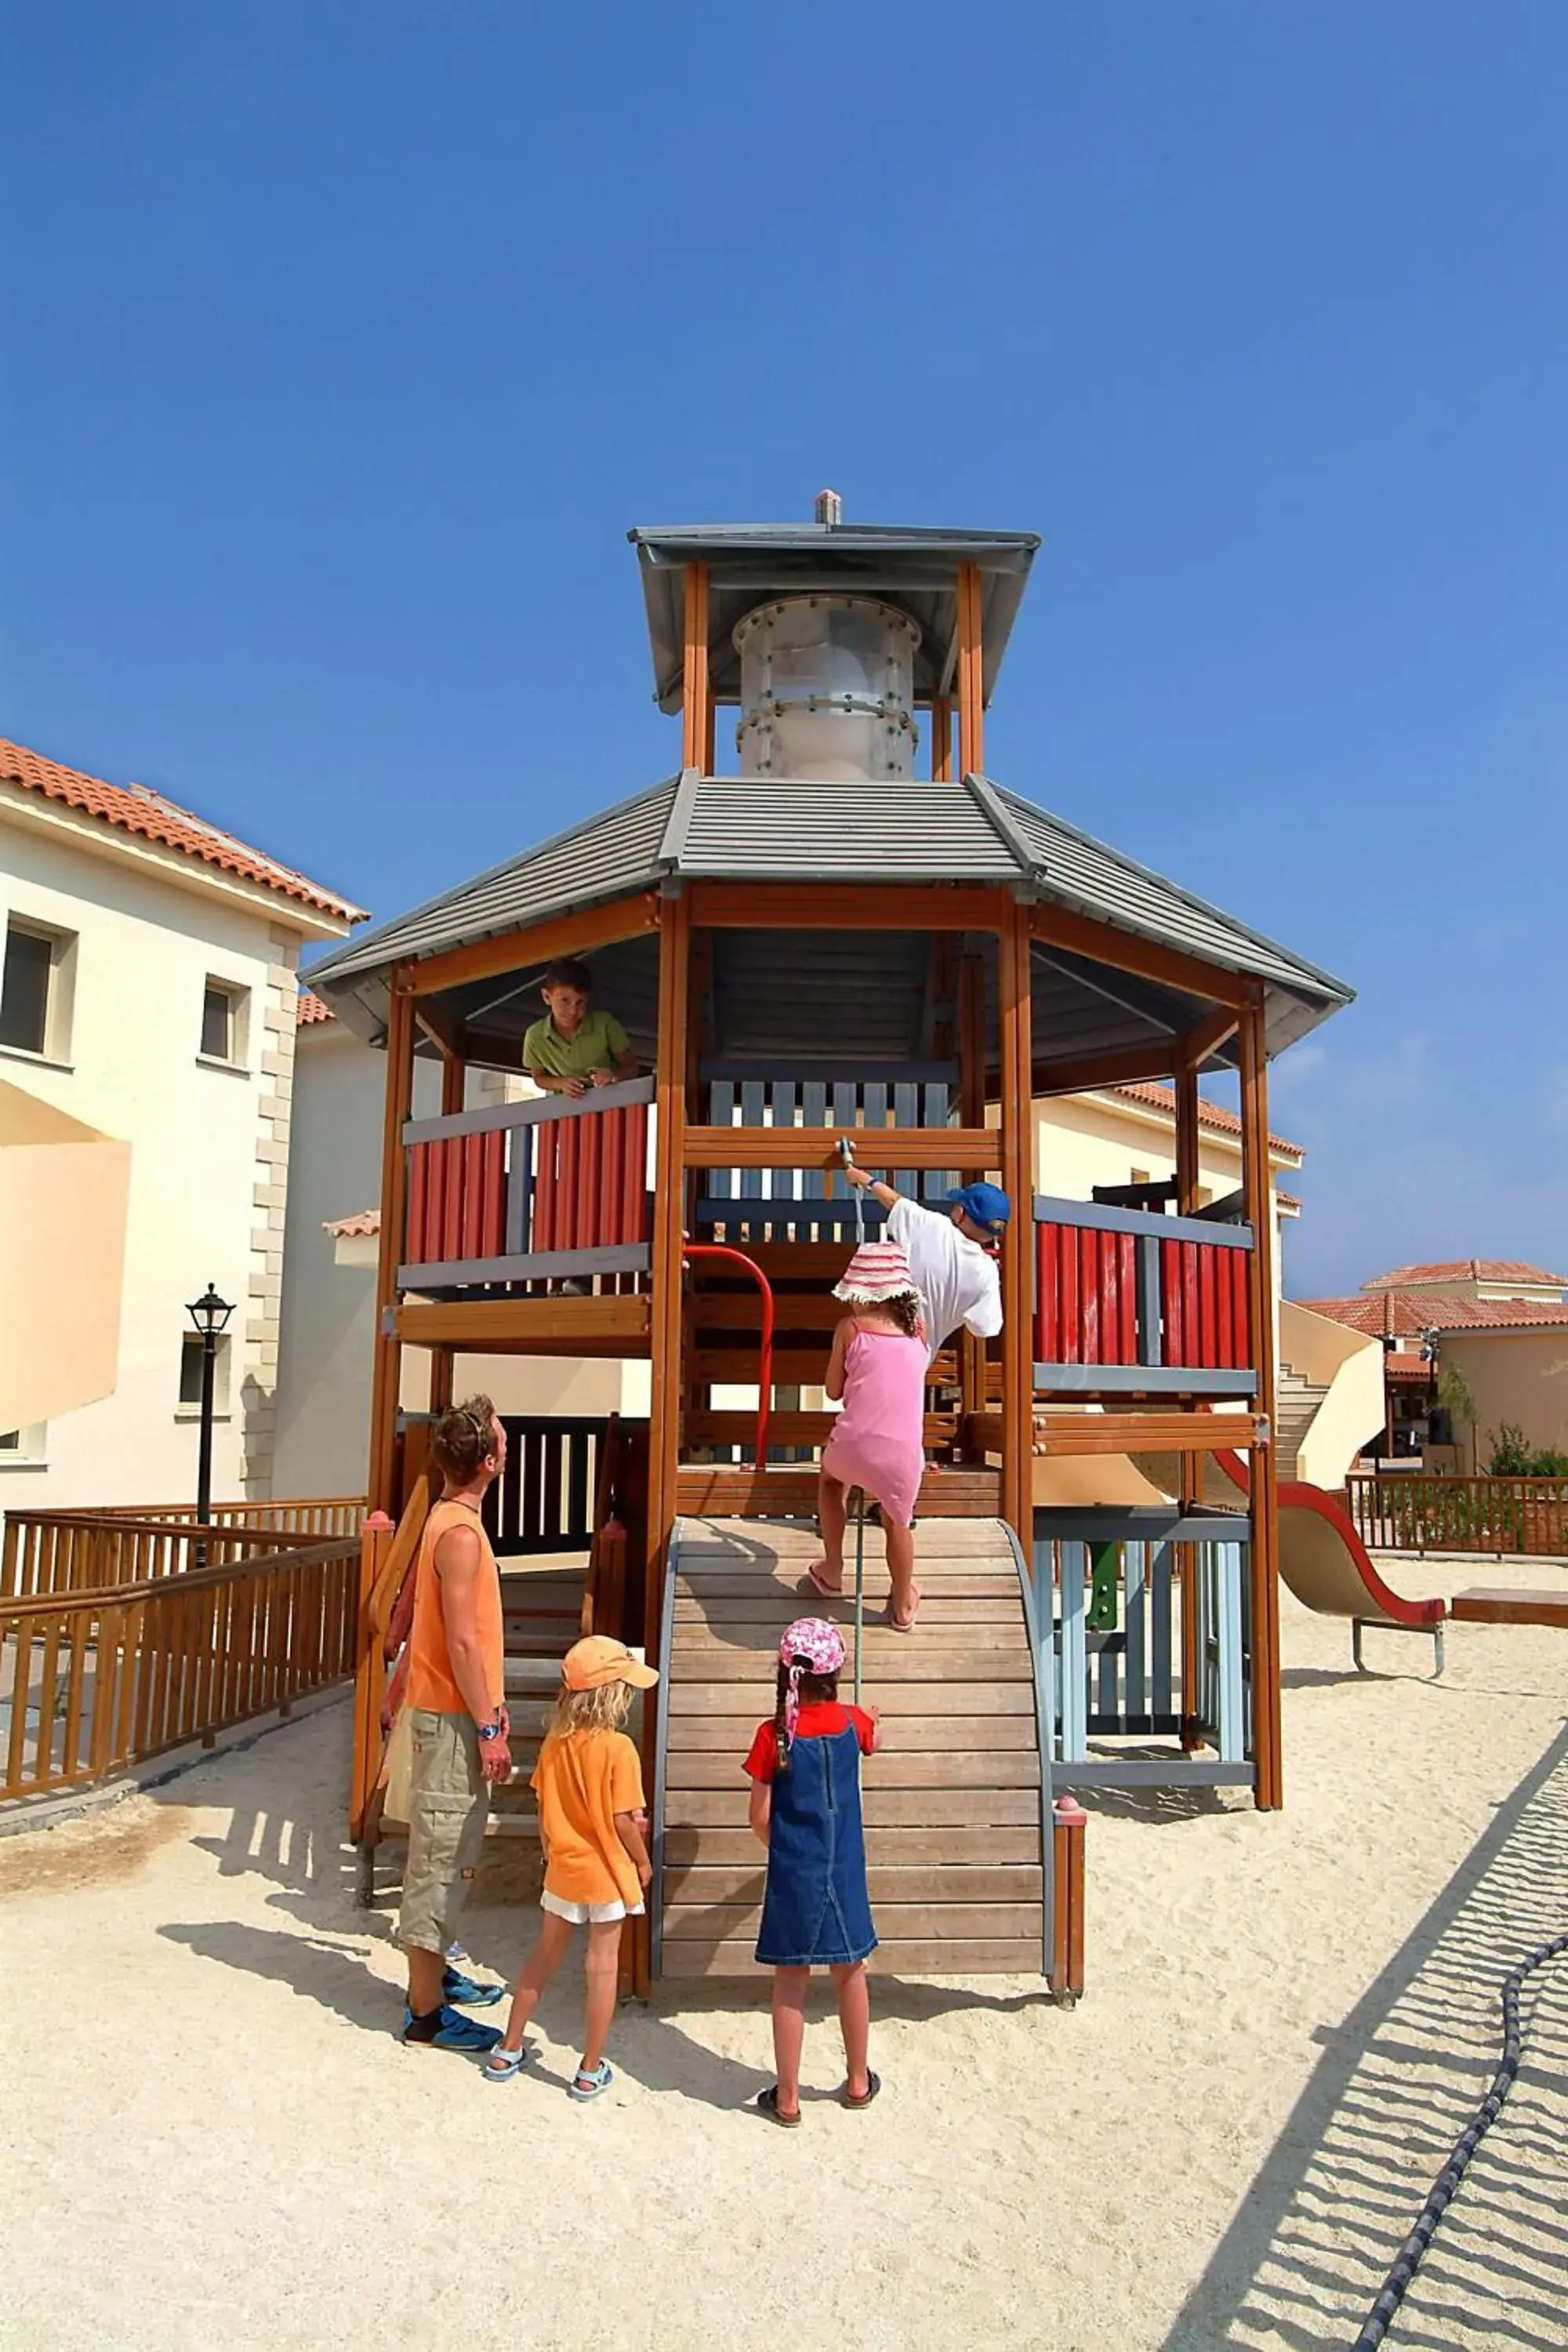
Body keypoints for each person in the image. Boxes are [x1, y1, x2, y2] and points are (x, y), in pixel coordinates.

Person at [481, 1635, 657, 2099]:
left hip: (563, 1867)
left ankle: (509, 2045)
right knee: (601, 1968)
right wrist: (643, 1861)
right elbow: (624, 1821)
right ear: (612, 1693)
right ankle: (589, 2068)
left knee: (543, 1957)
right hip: (607, 1873)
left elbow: (543, 1812)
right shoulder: (619, 1749)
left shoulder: (553, 1744)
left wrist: (551, 1853)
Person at [398, 1396, 513, 2053]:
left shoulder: (445, 1517)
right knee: (440, 1860)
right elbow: (464, 1644)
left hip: (448, 1711)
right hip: (450, 1719)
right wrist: (489, 1728)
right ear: (490, 1463)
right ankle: (426, 2013)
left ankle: (436, 1978)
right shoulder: (462, 1535)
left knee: (446, 1849)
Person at [744, 1617, 881, 2125]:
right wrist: (871, 1715)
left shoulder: (773, 1735)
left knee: (791, 1978)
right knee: (851, 1969)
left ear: (785, 1670)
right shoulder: (853, 1722)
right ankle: (859, 2080)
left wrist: (782, 1848)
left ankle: (788, 2098)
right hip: (844, 1867)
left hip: (794, 1871)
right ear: (837, 1670)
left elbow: (758, 1817)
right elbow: (874, 1738)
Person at [808, 1238, 927, 1632]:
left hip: (854, 1445)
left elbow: (832, 1391)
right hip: (902, 1455)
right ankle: (902, 1604)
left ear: (863, 1293)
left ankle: (832, 1568)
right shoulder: (919, 1333)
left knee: (830, 1482)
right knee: (898, 1521)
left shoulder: (851, 1328)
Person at [842, 1167, 1008, 1364]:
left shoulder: (933, 1226)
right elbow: (984, 1328)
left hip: (873, 1343)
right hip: (916, 1361)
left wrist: (864, 1179)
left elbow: (894, 1202)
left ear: (960, 1213)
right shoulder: (987, 1272)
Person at [523, 957, 637, 1098]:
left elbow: (632, 1067)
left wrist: (613, 1075)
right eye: (565, 1000)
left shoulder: (604, 1023)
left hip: (610, 1105)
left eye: (580, 1002)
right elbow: (538, 1077)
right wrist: (560, 1083)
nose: (573, 1010)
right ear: (547, 996)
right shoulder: (535, 1036)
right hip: (565, 1112)